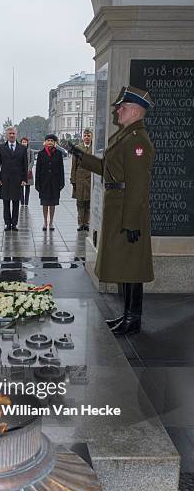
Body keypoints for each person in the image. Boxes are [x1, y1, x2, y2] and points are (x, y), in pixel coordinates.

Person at [68, 85, 155, 335]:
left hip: (128, 211)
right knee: (126, 267)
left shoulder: (138, 141)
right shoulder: (126, 136)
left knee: (132, 268)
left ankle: (133, 318)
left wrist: (131, 222)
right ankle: (127, 316)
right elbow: (107, 168)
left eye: (123, 108)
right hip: (118, 207)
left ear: (136, 112)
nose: (118, 111)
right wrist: (78, 154)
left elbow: (138, 186)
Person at [0, 126, 27, 231]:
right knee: (6, 202)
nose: (12, 135)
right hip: (5, 179)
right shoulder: (1, 148)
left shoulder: (22, 148)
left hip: (18, 180)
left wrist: (24, 179)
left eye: (13, 133)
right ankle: (7, 223)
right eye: (10, 134)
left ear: (16, 134)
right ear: (6, 135)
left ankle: (14, 223)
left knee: (16, 202)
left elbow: (25, 165)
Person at [35, 134, 64, 231]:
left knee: (52, 203)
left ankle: (51, 222)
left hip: (55, 183)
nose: (50, 142)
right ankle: (45, 222)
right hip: (44, 183)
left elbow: (61, 169)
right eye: (48, 140)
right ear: (45, 142)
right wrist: (37, 184)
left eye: (52, 140)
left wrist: (61, 183)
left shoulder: (59, 154)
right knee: (45, 203)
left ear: (55, 142)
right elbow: (38, 170)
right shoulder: (41, 154)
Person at [70, 128, 93, 231]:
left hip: (90, 177)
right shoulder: (77, 148)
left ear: (91, 136)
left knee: (88, 202)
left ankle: (87, 223)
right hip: (79, 177)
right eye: (85, 136)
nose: (87, 138)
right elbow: (73, 165)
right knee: (80, 202)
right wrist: (73, 180)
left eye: (88, 136)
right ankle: (80, 223)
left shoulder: (95, 148)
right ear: (82, 137)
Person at [20, 137, 34, 207]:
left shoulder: (31, 151)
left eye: (25, 142)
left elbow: (32, 161)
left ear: (27, 143)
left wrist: (29, 169)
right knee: (21, 187)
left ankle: (26, 202)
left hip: (28, 171)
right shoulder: (18, 150)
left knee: (27, 187)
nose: (24, 143)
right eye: (23, 142)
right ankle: (22, 202)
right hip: (21, 172)